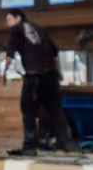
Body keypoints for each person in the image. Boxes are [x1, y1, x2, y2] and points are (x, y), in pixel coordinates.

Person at [5, 10, 78, 154]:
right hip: (50, 74)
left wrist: (3, 74)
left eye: (9, 20)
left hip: (34, 74)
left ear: (18, 18)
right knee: (54, 108)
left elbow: (10, 53)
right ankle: (67, 142)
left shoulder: (16, 29)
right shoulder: (40, 29)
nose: (7, 24)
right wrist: (59, 73)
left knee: (28, 108)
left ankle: (30, 145)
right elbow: (55, 52)